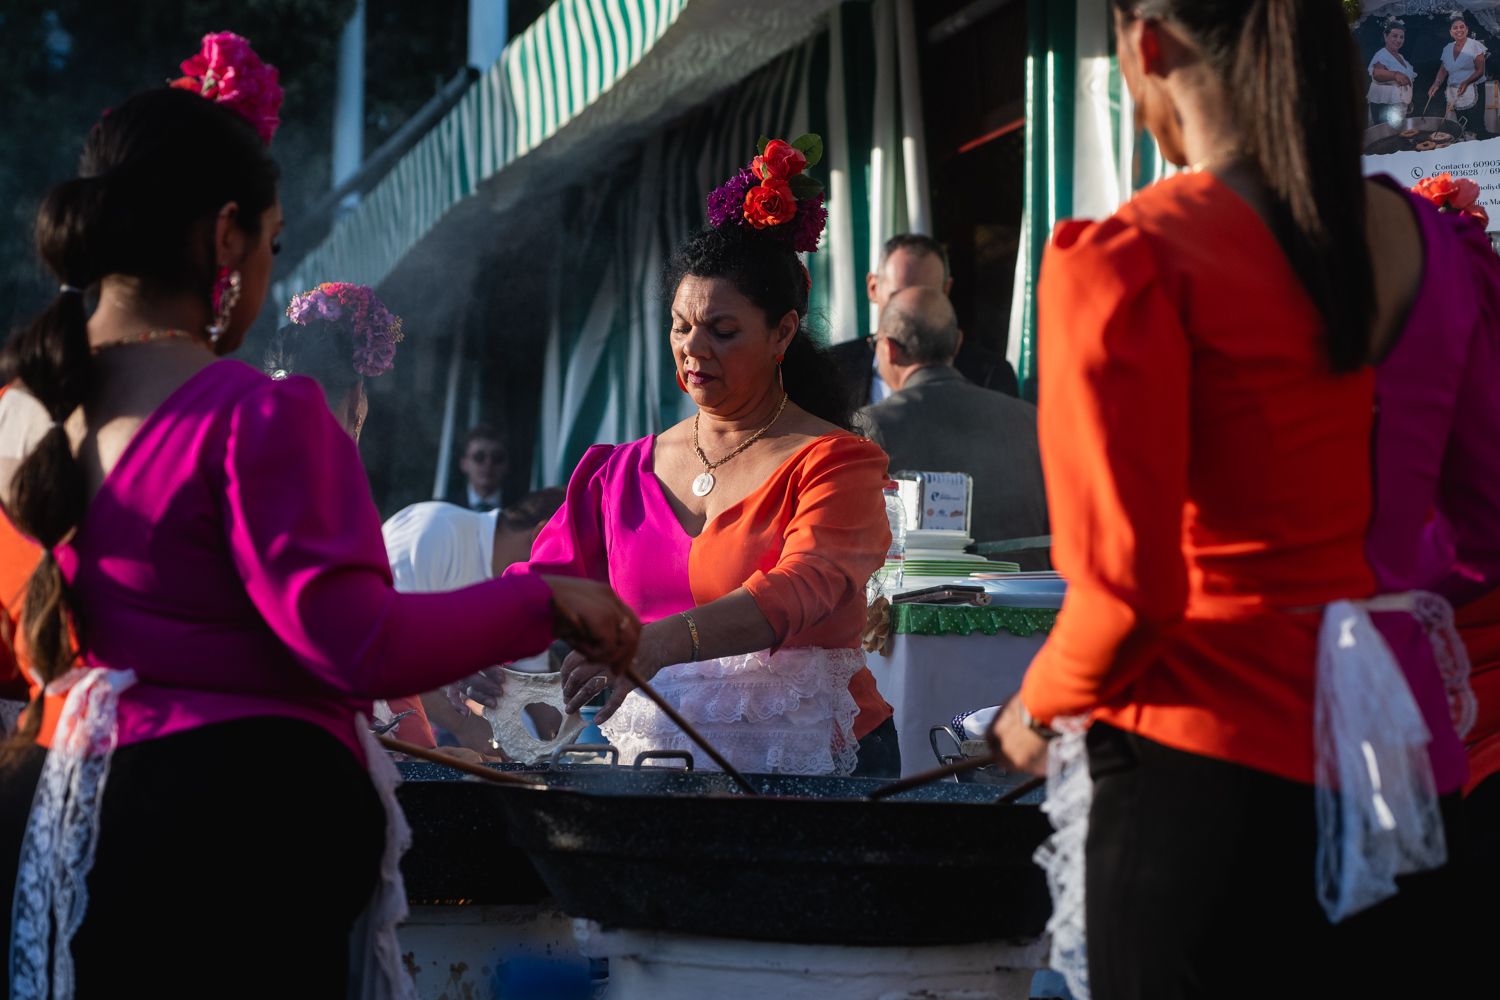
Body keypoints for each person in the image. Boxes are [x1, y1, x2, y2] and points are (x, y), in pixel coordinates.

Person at [0, 72, 637, 995]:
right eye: (271, 242)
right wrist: (542, 597)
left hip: (50, 816)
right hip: (234, 839)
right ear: (225, 236)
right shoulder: (263, 416)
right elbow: (359, 644)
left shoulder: (20, 411)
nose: (265, 269)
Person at [988, 3, 1491, 997]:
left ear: (1147, 45)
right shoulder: (1435, 245)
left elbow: (1127, 591)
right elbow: (1489, 514)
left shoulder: (1132, 257)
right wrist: (1366, 588)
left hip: (1204, 781)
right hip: (1408, 774)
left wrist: (1032, 713)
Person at [508, 135, 901, 778]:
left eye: (723, 332)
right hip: (658, 760)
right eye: (680, 326)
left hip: (818, 762)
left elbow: (798, 587)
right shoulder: (620, 472)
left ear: (782, 333)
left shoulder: (837, 463)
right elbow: (542, 583)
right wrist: (457, 645)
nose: (694, 350)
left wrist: (652, 644)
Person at [855, 287, 1047, 550]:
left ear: (889, 349)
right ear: (957, 343)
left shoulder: (871, 425)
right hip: (1037, 590)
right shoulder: (1029, 419)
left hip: (924, 591)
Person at [381, 487, 567, 753]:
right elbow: (386, 653)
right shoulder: (434, 532)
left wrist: (568, 748)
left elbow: (535, 688)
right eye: (577, 565)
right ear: (541, 535)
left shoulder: (527, 598)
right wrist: (466, 727)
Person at [828, 234, 1018, 407]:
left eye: (926, 296)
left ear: (946, 291)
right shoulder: (832, 370)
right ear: (873, 287)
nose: (910, 310)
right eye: (898, 296)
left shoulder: (989, 375)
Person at [1429, 12, 1488, 125]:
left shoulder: (1475, 45)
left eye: (1462, 27)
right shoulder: (1447, 48)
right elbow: (1443, 69)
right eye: (1455, 28)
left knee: (1476, 124)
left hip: (1474, 88)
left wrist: (1466, 82)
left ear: (1466, 30)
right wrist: (1436, 83)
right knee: (1461, 123)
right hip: (1455, 90)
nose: (1459, 30)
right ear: (1451, 32)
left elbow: (1480, 70)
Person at [1367, 17, 1417, 126]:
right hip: (1385, 106)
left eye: (1401, 37)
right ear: (1386, 36)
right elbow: (1377, 73)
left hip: (1399, 105)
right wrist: (1395, 74)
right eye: (1394, 36)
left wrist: (1407, 100)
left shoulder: (1400, 57)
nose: (1398, 40)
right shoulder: (1382, 54)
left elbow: (1405, 83)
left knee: (1399, 134)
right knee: (1388, 136)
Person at [454, 423, 507, 510]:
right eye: (479, 457)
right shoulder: (444, 509)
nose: (488, 463)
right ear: (464, 464)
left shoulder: (523, 512)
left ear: (506, 464)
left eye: (497, 458)